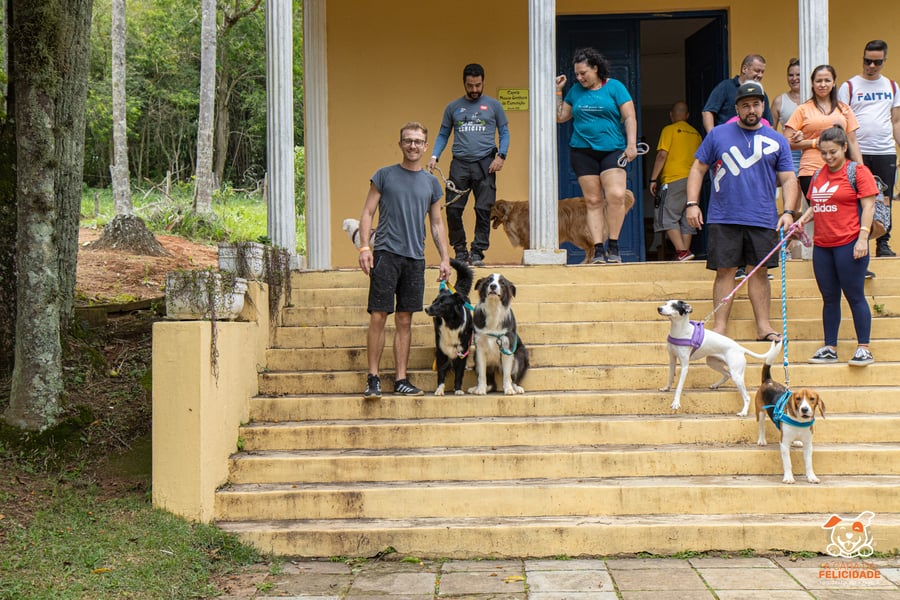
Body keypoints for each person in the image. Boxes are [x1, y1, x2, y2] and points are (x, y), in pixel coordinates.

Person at [685, 82, 800, 341]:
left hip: (763, 217)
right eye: (746, 105)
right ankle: (720, 328)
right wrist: (692, 204)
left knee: (758, 272)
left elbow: (790, 179)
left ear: (763, 107)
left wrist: (789, 211)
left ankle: (763, 327)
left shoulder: (777, 140)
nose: (752, 109)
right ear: (737, 108)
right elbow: (698, 169)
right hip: (724, 216)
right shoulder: (717, 135)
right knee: (725, 271)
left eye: (756, 104)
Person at [359, 122, 452, 400]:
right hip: (386, 254)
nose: (413, 145)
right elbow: (367, 213)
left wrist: (445, 258)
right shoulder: (384, 175)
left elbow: (437, 224)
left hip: (415, 259)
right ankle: (373, 378)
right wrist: (365, 247)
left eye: (418, 141)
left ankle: (401, 379)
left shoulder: (431, 183)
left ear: (425, 147)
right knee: (378, 316)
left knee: (404, 319)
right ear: (400, 144)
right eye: (408, 140)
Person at [794, 125, 877, 366]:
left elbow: (869, 206)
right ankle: (830, 346)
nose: (829, 157)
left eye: (833, 152)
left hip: (849, 243)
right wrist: (801, 221)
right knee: (829, 297)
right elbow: (816, 204)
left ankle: (863, 348)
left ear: (844, 148)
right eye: (824, 153)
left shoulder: (858, 172)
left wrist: (863, 238)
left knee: (854, 295)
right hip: (822, 245)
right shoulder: (819, 174)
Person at [555, 47, 637, 264]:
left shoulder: (615, 87)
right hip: (583, 152)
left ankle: (614, 244)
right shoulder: (575, 90)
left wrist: (631, 144)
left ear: (596, 69)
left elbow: (629, 117)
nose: (579, 77)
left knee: (617, 196)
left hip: (612, 149)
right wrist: (558, 91)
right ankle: (598, 249)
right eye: (577, 74)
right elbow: (561, 117)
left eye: (584, 73)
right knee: (592, 201)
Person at [427, 64, 510, 267]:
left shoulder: (493, 105)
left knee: (483, 209)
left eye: (478, 85)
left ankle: (478, 252)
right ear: (464, 83)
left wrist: (501, 157)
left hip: (486, 164)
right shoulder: (453, 107)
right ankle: (461, 250)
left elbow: (505, 131)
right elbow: (443, 133)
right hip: (460, 165)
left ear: (483, 82)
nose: (474, 90)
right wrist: (434, 156)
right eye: (470, 85)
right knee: (453, 210)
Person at [838, 39, 900, 258]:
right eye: (868, 61)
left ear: (884, 61)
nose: (872, 66)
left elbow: (896, 121)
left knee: (884, 197)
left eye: (877, 62)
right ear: (862, 59)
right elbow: (842, 123)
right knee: (856, 196)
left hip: (885, 150)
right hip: (858, 151)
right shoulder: (849, 86)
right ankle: (855, 239)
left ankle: (883, 243)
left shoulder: (892, 86)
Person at [785, 65, 863, 198]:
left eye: (827, 80)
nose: (822, 85)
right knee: (820, 214)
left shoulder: (844, 109)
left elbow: (852, 142)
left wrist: (861, 171)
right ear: (812, 84)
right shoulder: (802, 109)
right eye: (818, 81)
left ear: (834, 83)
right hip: (811, 170)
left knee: (840, 215)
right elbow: (785, 142)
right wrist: (814, 143)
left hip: (841, 170)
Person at [649, 101, 702, 261]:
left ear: (671, 115)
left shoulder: (669, 129)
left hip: (673, 180)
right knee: (688, 218)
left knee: (666, 215)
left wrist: (653, 179)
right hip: (693, 182)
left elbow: (662, 155)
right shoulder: (696, 134)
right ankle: (684, 254)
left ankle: (681, 251)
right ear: (686, 116)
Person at [702, 54, 774, 133]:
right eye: (757, 71)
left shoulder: (761, 93)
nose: (760, 75)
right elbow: (707, 112)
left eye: (762, 72)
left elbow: (768, 124)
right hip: (726, 139)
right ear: (744, 69)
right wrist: (713, 138)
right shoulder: (726, 86)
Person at [771, 58, 802, 173]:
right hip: (789, 154)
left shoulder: (813, 99)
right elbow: (771, 132)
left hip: (810, 152)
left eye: (798, 74)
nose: (794, 79)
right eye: (791, 75)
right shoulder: (779, 101)